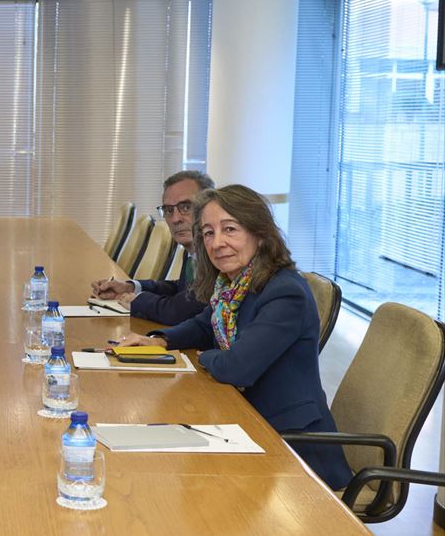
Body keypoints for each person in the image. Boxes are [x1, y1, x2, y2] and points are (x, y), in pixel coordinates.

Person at [117, 185, 352, 488]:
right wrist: (161, 340)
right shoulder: (233, 286)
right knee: (150, 457)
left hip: (292, 447)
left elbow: (237, 367)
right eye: (209, 233)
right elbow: (206, 323)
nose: (218, 243)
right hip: (246, 423)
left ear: (260, 234)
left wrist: (208, 358)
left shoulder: (285, 292)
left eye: (230, 229)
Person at [91, 170, 214, 325]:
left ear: (209, 207)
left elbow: (180, 311)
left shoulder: (216, 257)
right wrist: (130, 287)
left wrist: (138, 300)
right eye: (169, 210)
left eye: (186, 207)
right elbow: (181, 289)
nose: (175, 219)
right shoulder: (192, 251)